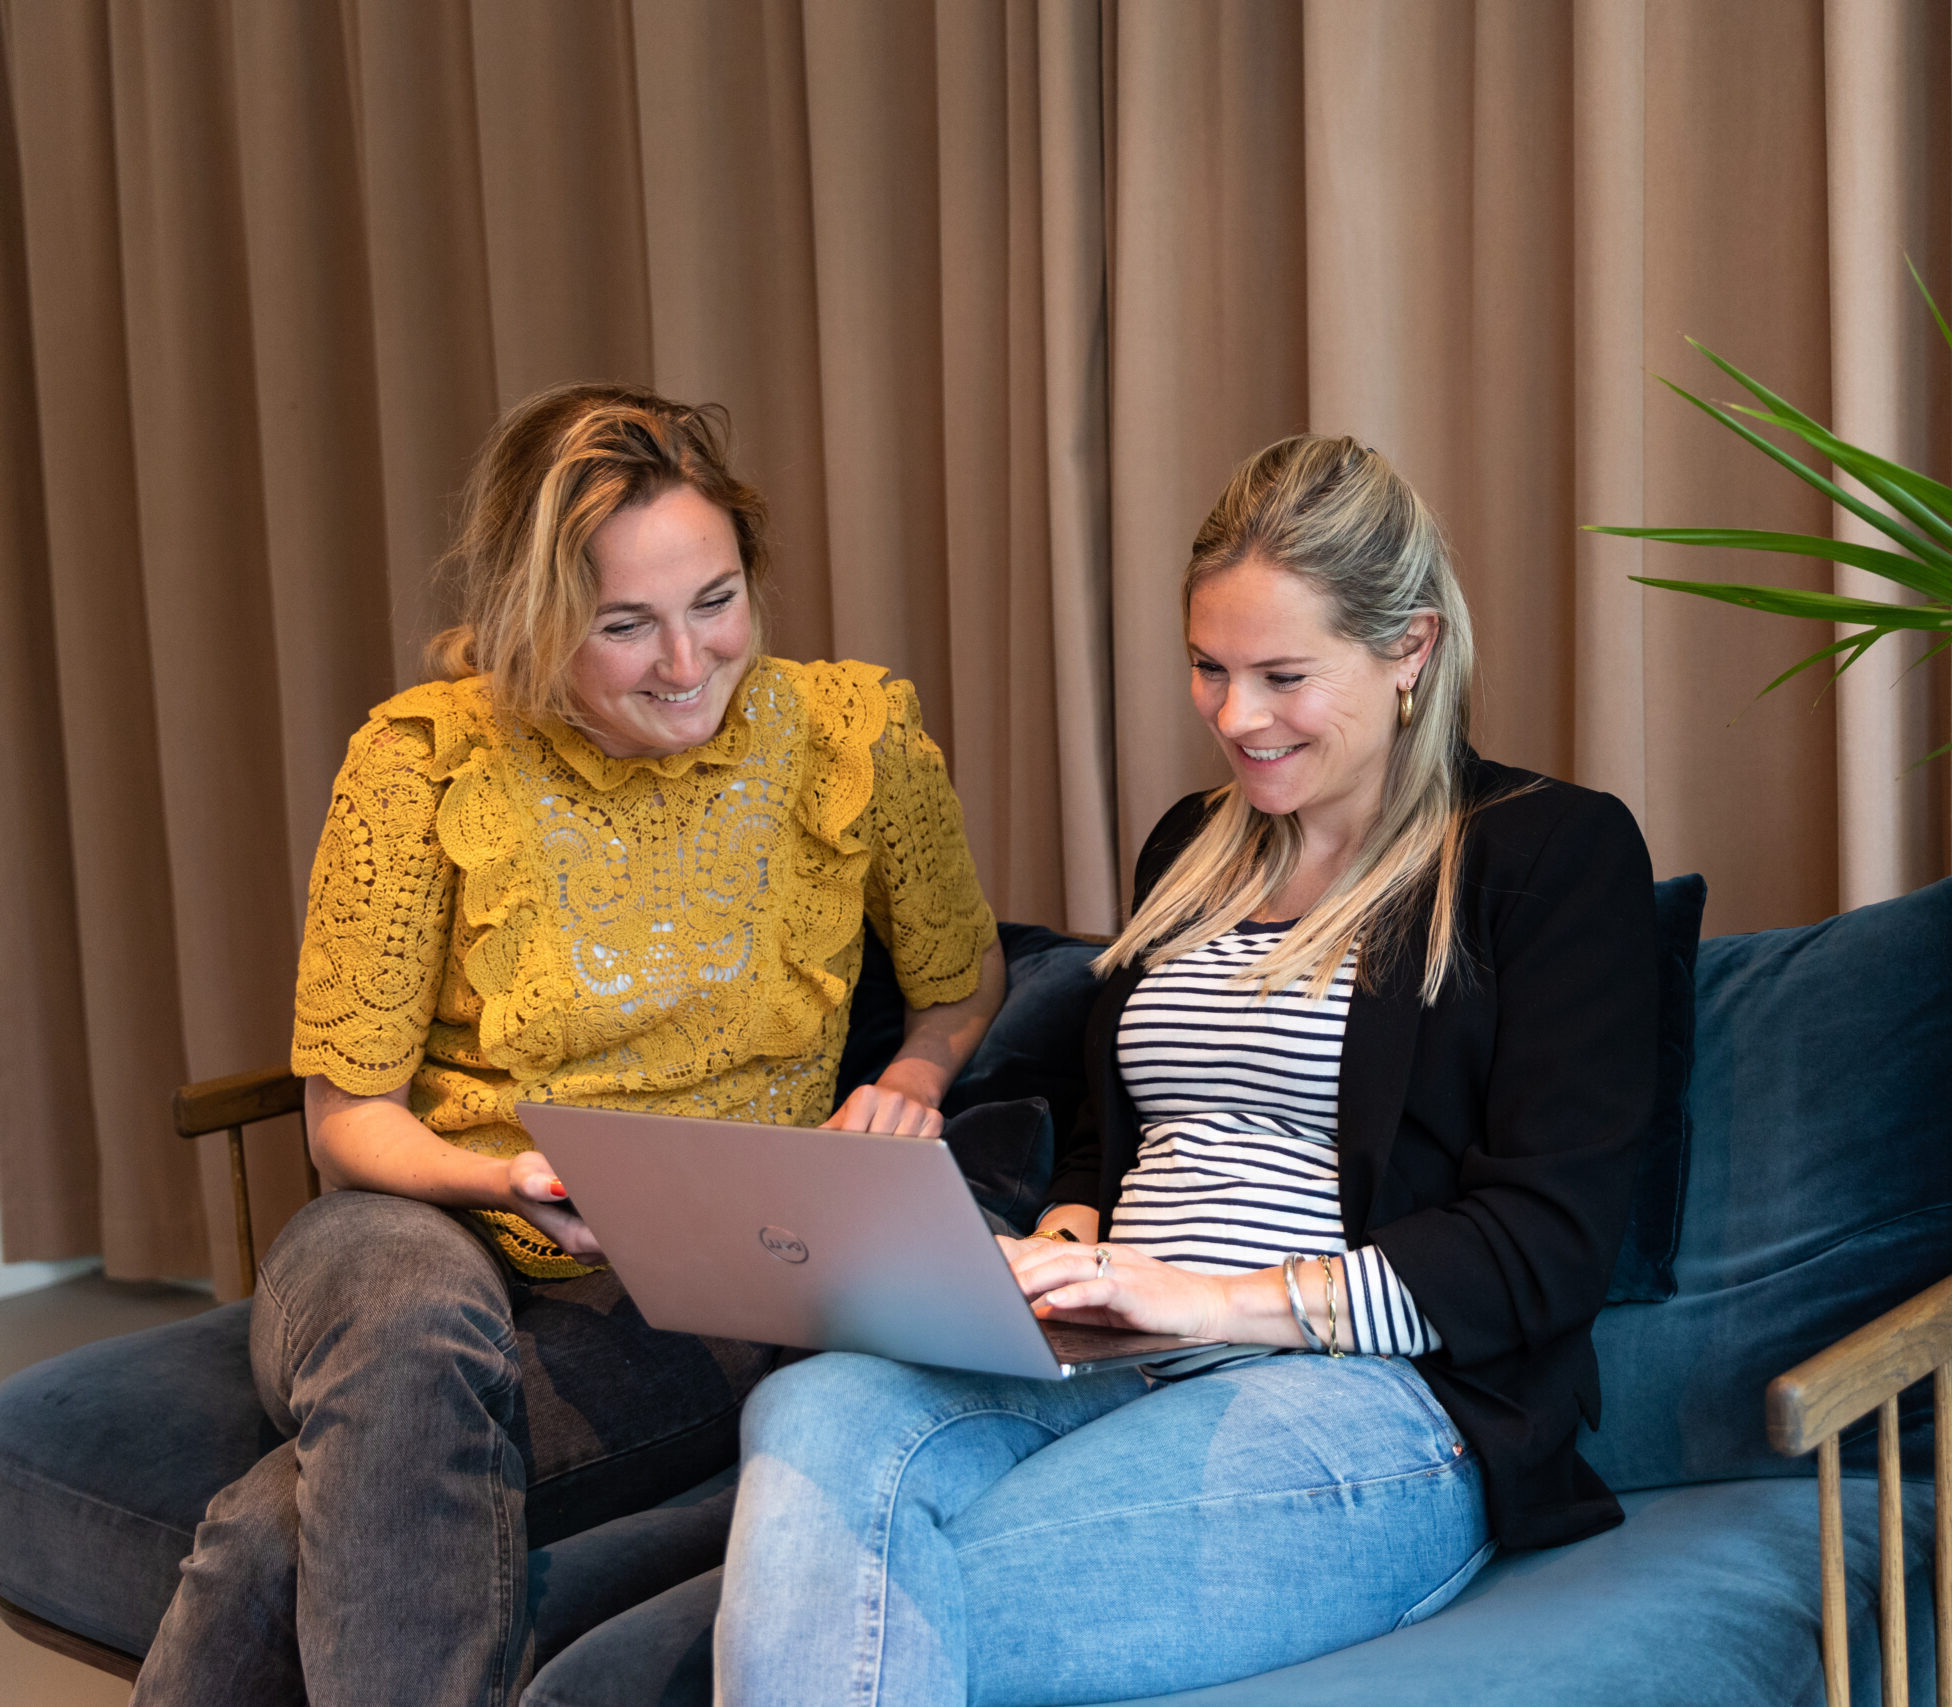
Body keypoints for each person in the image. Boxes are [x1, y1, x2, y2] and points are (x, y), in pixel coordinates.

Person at [707, 433, 1657, 1704]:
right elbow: (1119, 1136)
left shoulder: (1546, 858)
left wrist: (1206, 1300)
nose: (1233, 718)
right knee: (811, 1411)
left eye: (1281, 676)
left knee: (880, 1604)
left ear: (1409, 650)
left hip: (1361, 1396)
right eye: (1208, 669)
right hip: (1102, 1356)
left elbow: (1545, 1243)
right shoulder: (1191, 847)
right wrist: (1061, 1246)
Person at [131, 382, 1004, 1707]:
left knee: (279, 1521)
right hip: (415, 1214)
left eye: (716, 599)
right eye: (624, 625)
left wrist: (911, 1076)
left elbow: (962, 983)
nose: (686, 659)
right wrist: (509, 1179)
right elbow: (346, 1118)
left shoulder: (853, 736)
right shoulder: (423, 757)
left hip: (692, 1256)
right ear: (538, 620)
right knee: (410, 1321)